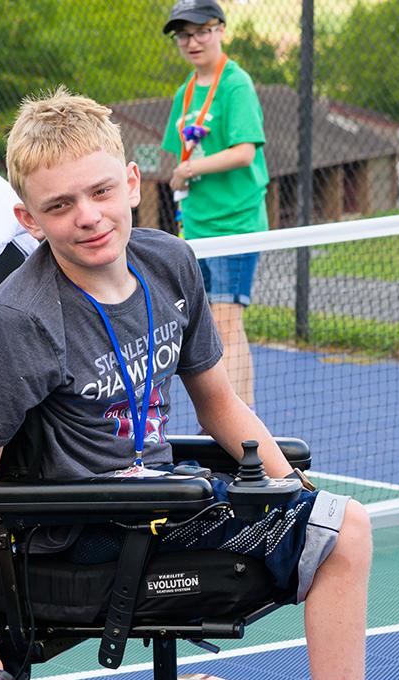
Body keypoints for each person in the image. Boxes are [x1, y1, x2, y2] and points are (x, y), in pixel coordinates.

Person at [0, 87, 399, 680]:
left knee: (334, 525)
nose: (89, 216)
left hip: (165, 507)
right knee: (347, 531)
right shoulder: (13, 323)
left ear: (134, 182)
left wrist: (294, 496)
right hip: (92, 540)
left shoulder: (169, 264)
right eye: (60, 205)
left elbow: (219, 403)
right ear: (29, 220)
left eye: (101, 191)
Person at [161, 0, 267, 412]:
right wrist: (181, 174)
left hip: (235, 223)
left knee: (226, 321)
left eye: (201, 32)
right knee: (210, 327)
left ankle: (242, 425)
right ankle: (231, 422)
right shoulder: (185, 92)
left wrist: (189, 169)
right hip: (197, 227)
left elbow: (244, 152)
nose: (192, 42)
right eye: (184, 36)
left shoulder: (236, 85)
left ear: (220, 29)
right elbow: (180, 154)